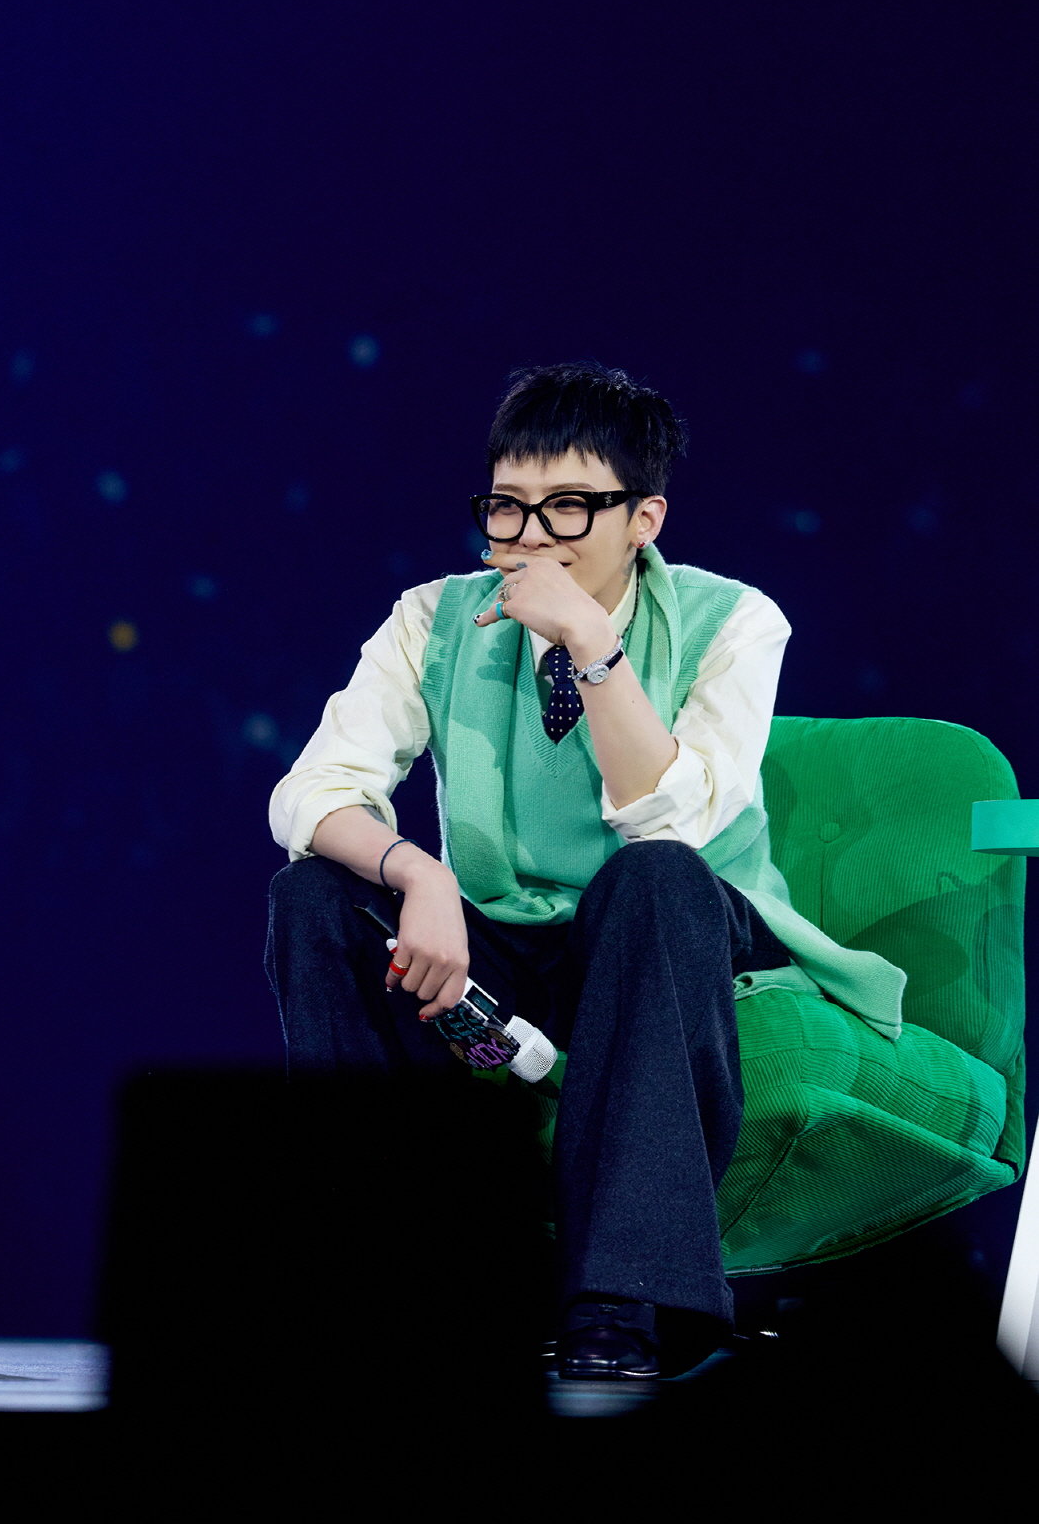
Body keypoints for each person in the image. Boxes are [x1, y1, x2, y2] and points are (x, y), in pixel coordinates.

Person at [264, 360, 905, 1382]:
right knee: (313, 897)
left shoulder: (734, 621)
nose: (529, 538)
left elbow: (674, 820)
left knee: (651, 880)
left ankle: (624, 1296)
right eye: (506, 507)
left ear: (643, 518)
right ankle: (385, 1278)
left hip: (672, 929)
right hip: (500, 933)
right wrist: (419, 875)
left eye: (567, 507)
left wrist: (592, 644)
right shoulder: (432, 617)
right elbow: (309, 791)